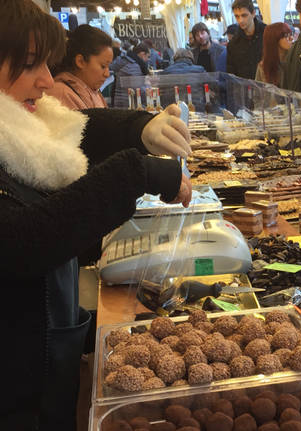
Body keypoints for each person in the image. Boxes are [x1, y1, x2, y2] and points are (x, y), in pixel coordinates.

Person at [0, 1, 192, 429]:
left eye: (47, 64)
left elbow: (75, 129)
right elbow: (24, 240)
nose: (47, 80)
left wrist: (140, 128)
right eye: (30, 65)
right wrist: (137, 170)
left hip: (45, 359)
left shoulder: (23, 129)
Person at [46, 24, 112, 110]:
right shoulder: (61, 94)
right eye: (103, 66)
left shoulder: (94, 91)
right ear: (80, 61)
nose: (107, 74)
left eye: (108, 66)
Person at [226, 0, 266, 79]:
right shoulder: (233, 43)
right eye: (237, 16)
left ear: (253, 13)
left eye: (244, 15)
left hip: (268, 87)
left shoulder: (267, 33)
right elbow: (231, 74)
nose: (240, 20)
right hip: (244, 88)